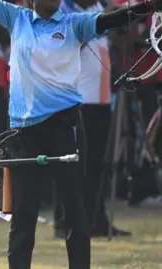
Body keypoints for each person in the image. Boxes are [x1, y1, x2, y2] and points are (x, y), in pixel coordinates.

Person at [0, 0, 160, 267]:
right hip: (24, 132)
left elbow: (109, 20)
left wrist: (147, 7)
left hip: (64, 126)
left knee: (75, 211)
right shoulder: (16, 18)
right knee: (24, 214)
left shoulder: (74, 24)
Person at [55, 0, 132, 238]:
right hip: (79, 101)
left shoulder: (96, 9)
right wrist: (105, 15)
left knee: (98, 165)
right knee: (75, 166)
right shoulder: (66, 10)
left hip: (100, 101)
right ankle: (67, 222)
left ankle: (96, 220)